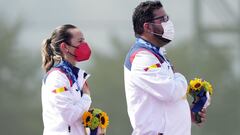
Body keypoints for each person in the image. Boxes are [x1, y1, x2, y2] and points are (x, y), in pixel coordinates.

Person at [124, 1, 208, 135]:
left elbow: (165, 103)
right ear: (147, 27)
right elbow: (170, 92)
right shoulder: (142, 57)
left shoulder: (156, 54)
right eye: (162, 19)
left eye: (167, 18)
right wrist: (181, 78)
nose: (168, 23)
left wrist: (188, 114)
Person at [41, 24, 92, 135]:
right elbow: (69, 115)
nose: (85, 45)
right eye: (80, 41)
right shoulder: (56, 78)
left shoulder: (75, 75)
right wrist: (87, 97)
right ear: (65, 47)